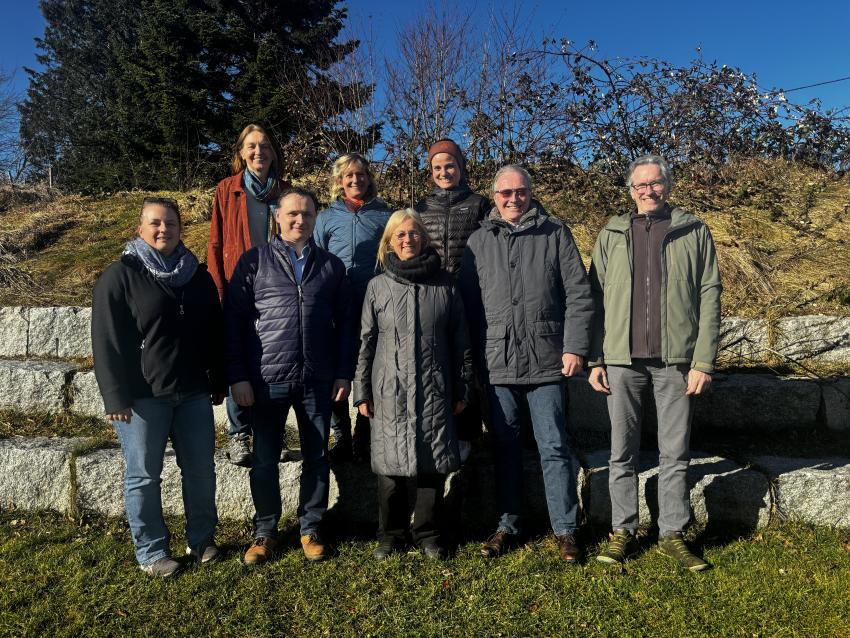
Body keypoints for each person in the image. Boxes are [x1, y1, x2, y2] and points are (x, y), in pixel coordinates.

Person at [588, 154, 721, 571]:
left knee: (675, 452)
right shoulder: (612, 233)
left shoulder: (693, 230)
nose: (648, 190)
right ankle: (622, 532)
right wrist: (596, 357)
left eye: (656, 183)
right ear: (631, 191)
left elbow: (710, 294)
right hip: (621, 360)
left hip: (676, 362)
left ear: (668, 186)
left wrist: (703, 361)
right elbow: (593, 297)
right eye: (640, 185)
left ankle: (672, 534)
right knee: (621, 451)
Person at [459, 165, 593, 563]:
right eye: (505, 193)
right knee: (504, 446)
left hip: (547, 359)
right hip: (496, 362)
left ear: (531, 193)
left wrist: (575, 347)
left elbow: (578, 294)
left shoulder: (555, 233)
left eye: (520, 192)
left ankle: (566, 529)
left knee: (553, 445)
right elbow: (467, 304)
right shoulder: (480, 240)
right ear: (494, 196)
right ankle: (508, 525)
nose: (513, 199)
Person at [92, 197, 225, 578]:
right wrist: (114, 395)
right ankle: (151, 552)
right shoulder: (121, 275)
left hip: (193, 392)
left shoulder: (196, 277)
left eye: (170, 223)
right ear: (140, 228)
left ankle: (201, 540)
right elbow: (106, 340)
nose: (163, 229)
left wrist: (216, 378)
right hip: (142, 397)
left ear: (181, 228)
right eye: (155, 223)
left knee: (201, 470)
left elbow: (212, 331)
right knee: (144, 476)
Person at [225, 187, 354, 564]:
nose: (300, 220)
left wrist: (343, 373)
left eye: (308, 214)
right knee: (264, 458)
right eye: (293, 214)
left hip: (317, 377)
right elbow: (234, 324)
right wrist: (238, 378)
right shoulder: (254, 262)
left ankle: (310, 527)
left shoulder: (331, 266)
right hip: (267, 378)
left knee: (317, 455)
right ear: (277, 218)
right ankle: (265, 531)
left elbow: (346, 325)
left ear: (316, 219)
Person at [354, 209, 472, 560]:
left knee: (431, 465)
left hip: (435, 388)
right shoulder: (377, 287)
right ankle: (390, 534)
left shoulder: (446, 285)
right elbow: (366, 342)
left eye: (414, 233)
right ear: (389, 242)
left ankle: (427, 534)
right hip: (389, 390)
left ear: (424, 237)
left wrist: (464, 387)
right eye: (400, 235)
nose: (408, 240)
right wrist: (362, 390)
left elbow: (461, 342)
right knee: (389, 469)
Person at [207, 123, 293, 467]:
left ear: (274, 153)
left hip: (277, 290)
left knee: (271, 359)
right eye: (252, 147)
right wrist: (218, 289)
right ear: (241, 153)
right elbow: (215, 243)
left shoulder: (285, 192)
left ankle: (268, 432)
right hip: (239, 286)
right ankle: (239, 434)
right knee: (238, 356)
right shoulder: (227, 190)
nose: (259, 152)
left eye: (266, 146)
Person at [414, 138, 491, 457]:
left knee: (468, 367)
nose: (444, 172)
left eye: (450, 165)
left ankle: (469, 435)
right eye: (437, 167)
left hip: (471, 297)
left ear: (460, 167)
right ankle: (434, 432)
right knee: (436, 364)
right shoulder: (420, 208)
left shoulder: (479, 204)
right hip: (432, 298)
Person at [313, 153, 392, 463]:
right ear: (339, 182)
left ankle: (365, 428)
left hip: (374, 302)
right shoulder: (326, 219)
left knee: (370, 365)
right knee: (336, 366)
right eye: (349, 176)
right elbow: (316, 259)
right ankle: (341, 432)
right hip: (335, 304)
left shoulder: (383, 215)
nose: (355, 180)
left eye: (361, 174)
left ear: (368, 178)